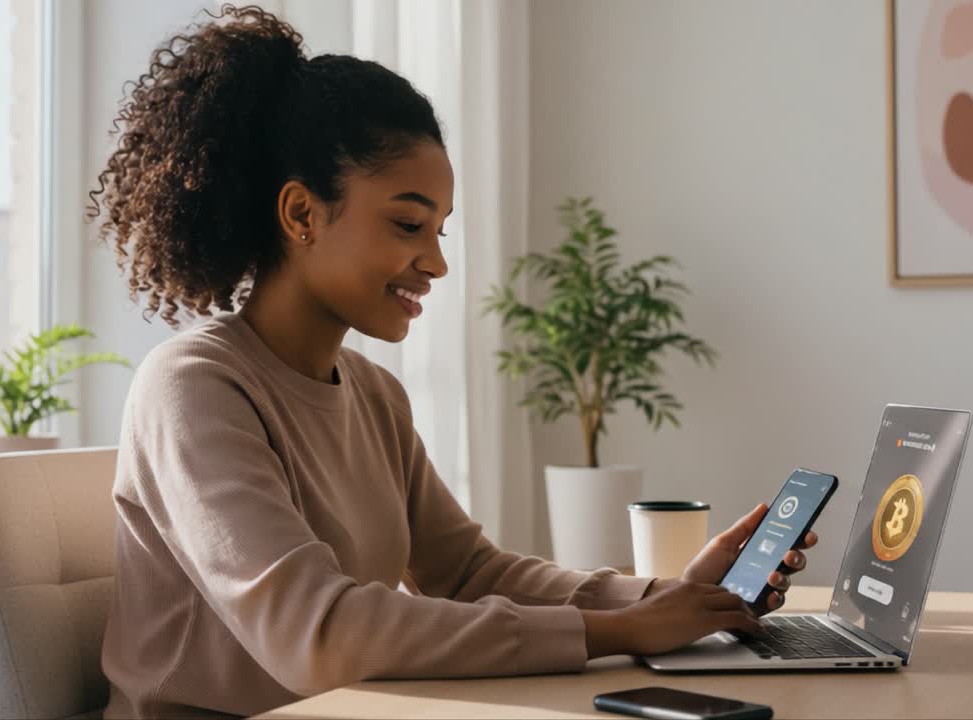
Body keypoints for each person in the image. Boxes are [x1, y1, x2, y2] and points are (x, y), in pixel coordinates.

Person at [91, 6, 817, 718]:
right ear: (302, 215)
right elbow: (319, 636)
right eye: (408, 224)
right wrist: (622, 630)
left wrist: (665, 597)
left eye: (439, 230)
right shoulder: (193, 388)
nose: (436, 262)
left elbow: (469, 572)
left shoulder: (373, 394)